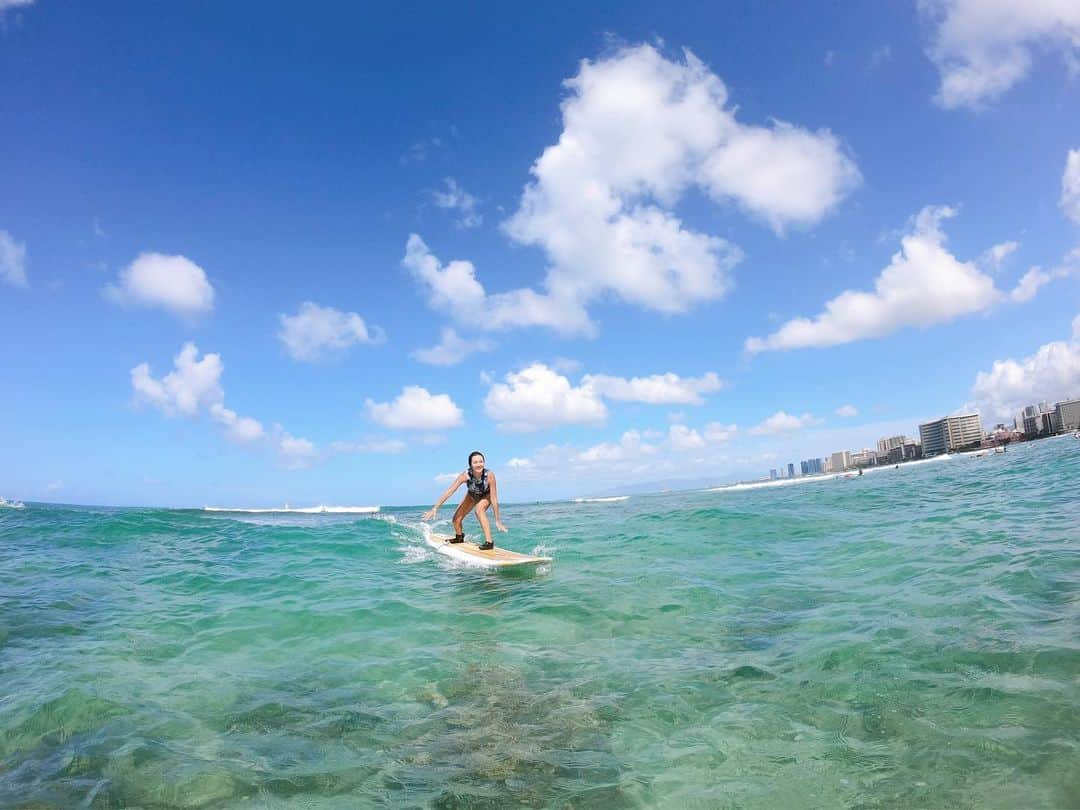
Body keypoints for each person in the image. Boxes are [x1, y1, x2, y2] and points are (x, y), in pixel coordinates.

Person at [422, 451, 507, 550]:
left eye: (481, 461)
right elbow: (450, 491)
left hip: (486, 496)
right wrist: (435, 508)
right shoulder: (465, 475)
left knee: (479, 510)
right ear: (470, 464)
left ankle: (489, 542)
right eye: (475, 462)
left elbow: (494, 498)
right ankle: (459, 537)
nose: (479, 464)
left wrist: (497, 520)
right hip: (471, 495)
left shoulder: (490, 475)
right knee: (456, 520)